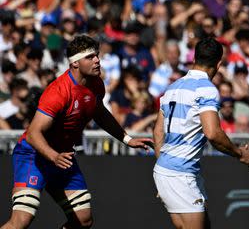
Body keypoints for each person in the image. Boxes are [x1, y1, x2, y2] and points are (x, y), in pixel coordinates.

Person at [2, 35, 152, 229]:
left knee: (83, 220)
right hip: (35, 155)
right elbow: (33, 134)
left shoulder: (96, 83)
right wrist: (53, 156)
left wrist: (126, 138)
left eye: (97, 55)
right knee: (21, 221)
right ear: (74, 63)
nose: (97, 60)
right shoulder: (58, 92)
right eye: (90, 57)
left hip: (62, 156)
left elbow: (99, 112)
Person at [152, 36, 249, 229]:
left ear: (194, 58)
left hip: (167, 169)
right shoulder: (207, 89)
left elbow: (158, 132)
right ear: (218, 64)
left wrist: (163, 166)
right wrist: (239, 154)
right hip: (180, 173)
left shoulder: (172, 87)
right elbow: (213, 134)